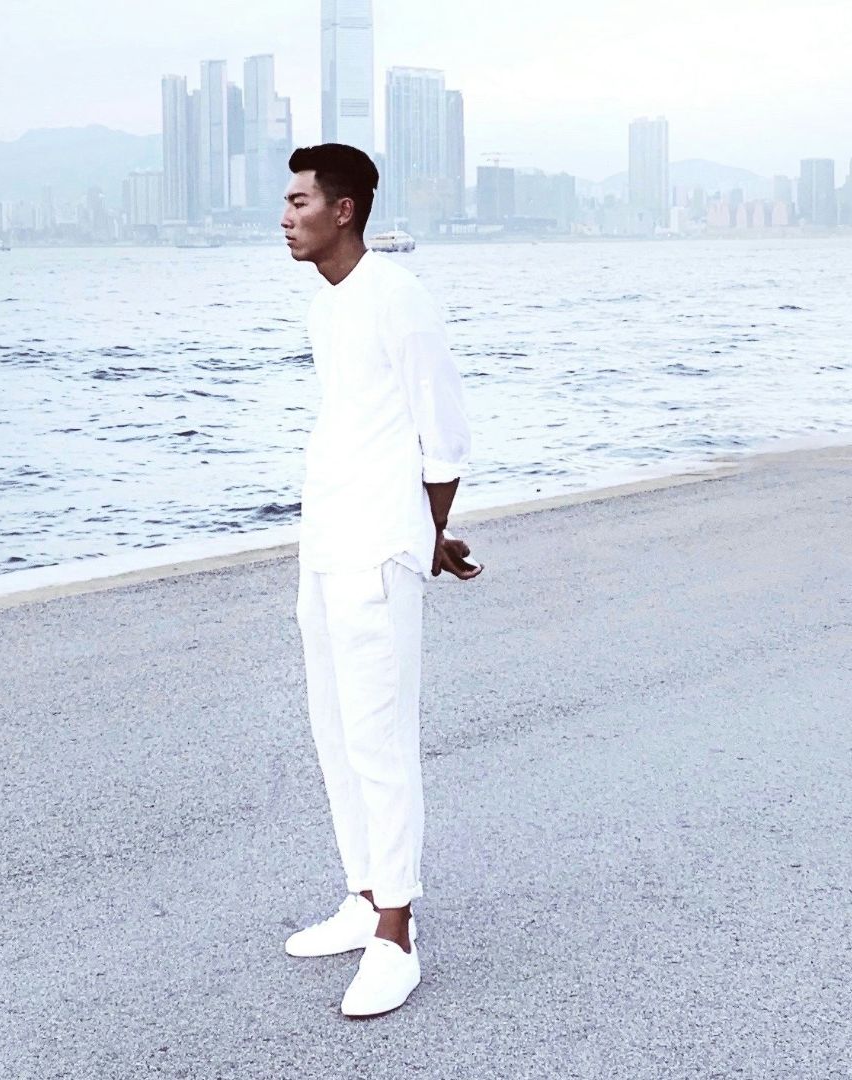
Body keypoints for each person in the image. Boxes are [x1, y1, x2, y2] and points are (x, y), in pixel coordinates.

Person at [277, 143, 481, 1018]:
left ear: (345, 209)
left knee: (381, 740)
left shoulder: (399, 299)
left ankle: (396, 935)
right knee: (334, 732)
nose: (285, 217)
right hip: (325, 539)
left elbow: (444, 433)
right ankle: (362, 898)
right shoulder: (328, 302)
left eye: (299, 202)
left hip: (378, 551)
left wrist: (427, 535)